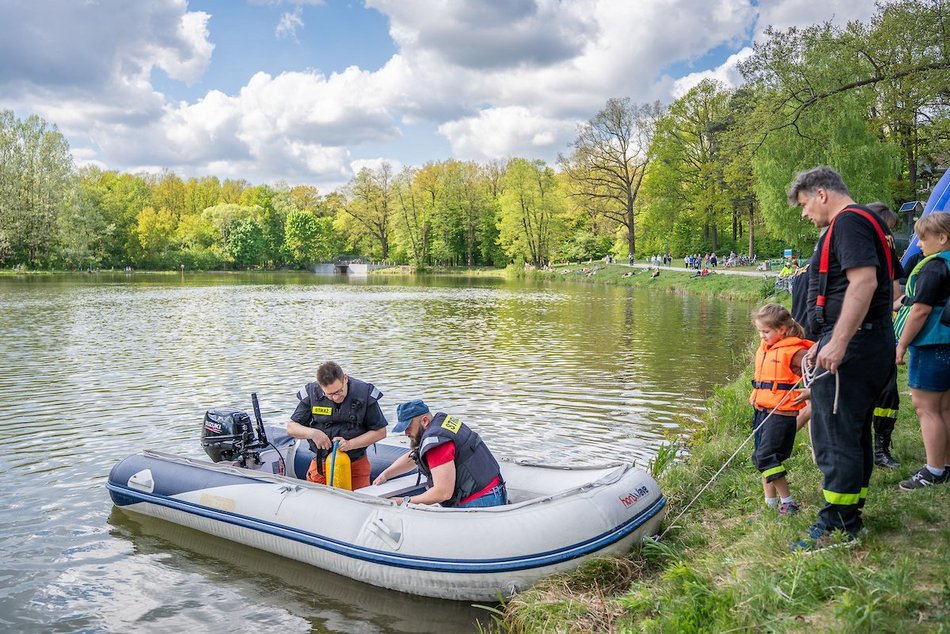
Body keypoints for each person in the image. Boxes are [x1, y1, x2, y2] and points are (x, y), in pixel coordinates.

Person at [788, 166, 896, 552]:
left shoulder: (849, 223)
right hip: (868, 342)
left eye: (804, 205)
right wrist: (826, 337)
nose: (804, 214)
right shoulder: (869, 221)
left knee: (835, 435)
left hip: (856, 346)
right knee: (853, 430)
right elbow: (890, 285)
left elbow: (864, 282)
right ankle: (853, 509)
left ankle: (838, 525)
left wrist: (838, 341)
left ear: (821, 194)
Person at [894, 211, 950, 489]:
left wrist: (901, 345)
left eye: (922, 238)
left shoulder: (934, 265)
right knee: (944, 407)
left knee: (926, 407)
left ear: (942, 238)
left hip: (932, 344)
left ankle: (934, 470)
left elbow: (920, 310)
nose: (918, 244)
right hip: (948, 343)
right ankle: (946, 463)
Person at [373, 400, 506, 508]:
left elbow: (443, 493)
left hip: (481, 501)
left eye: (408, 427)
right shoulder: (441, 425)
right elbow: (414, 456)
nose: (406, 433)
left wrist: (403, 501)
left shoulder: (436, 444)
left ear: (424, 421)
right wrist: (387, 474)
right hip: (493, 490)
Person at [749, 304, 814, 516]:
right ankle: (770, 504)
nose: (762, 336)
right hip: (762, 410)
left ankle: (788, 502)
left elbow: (820, 372)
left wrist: (810, 392)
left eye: (766, 332)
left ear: (782, 330)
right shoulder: (767, 348)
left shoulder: (796, 352)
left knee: (766, 457)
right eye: (760, 331)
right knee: (761, 457)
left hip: (781, 413)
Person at [286, 361, 388, 489]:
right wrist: (313, 433)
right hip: (321, 463)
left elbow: (381, 431)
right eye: (329, 394)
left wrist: (350, 444)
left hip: (355, 463)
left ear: (345, 378)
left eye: (338, 391)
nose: (335, 397)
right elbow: (291, 427)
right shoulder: (312, 393)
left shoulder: (364, 393)